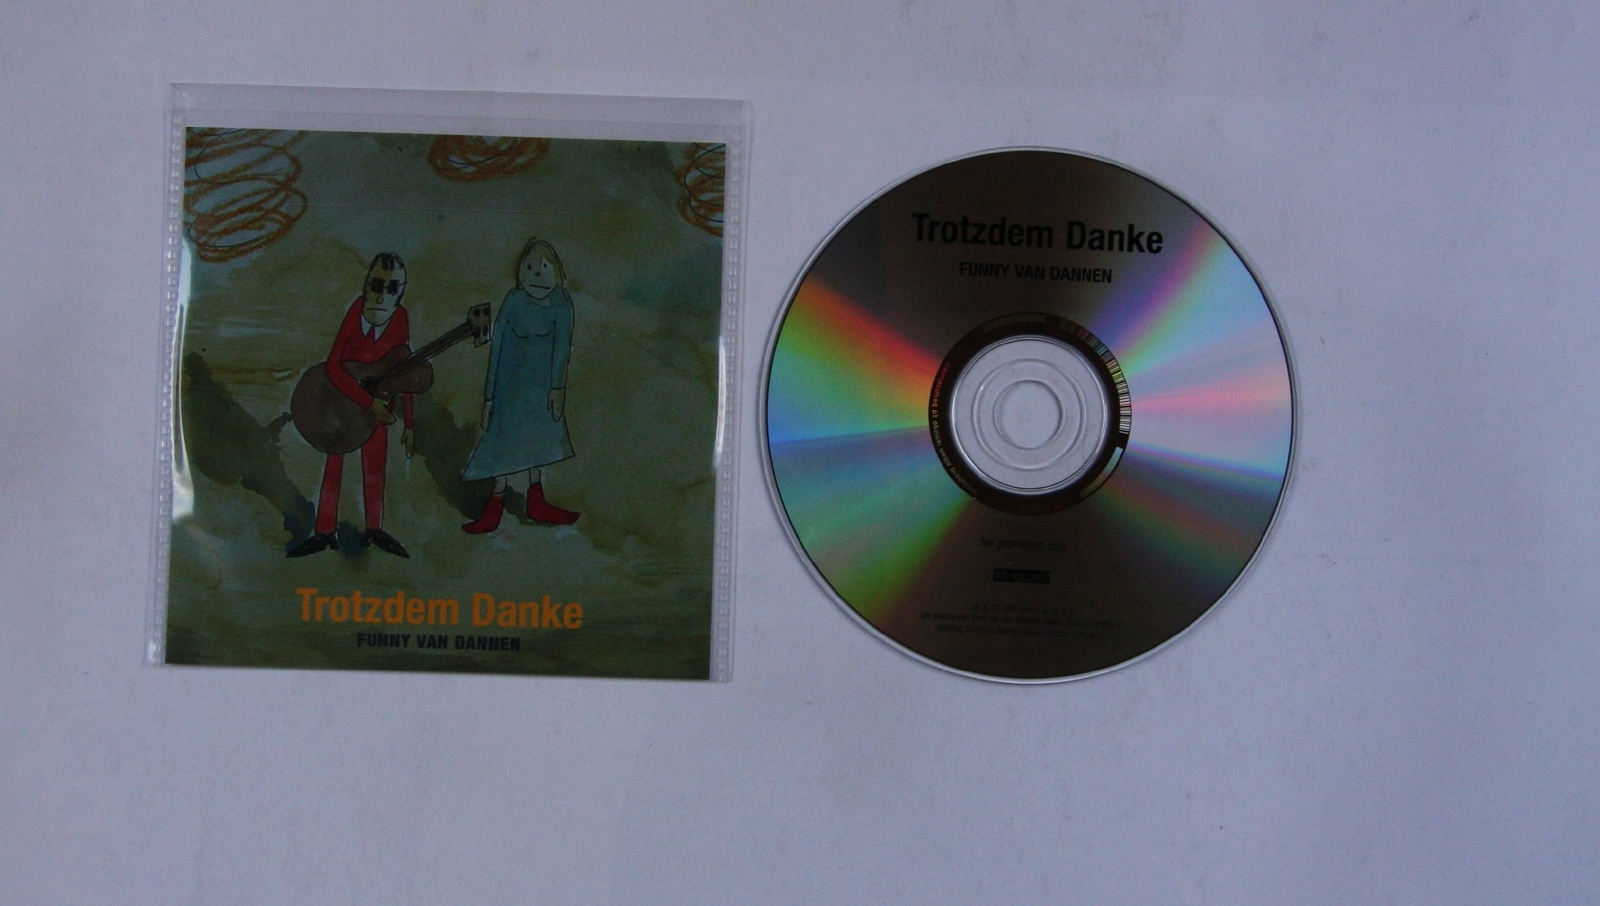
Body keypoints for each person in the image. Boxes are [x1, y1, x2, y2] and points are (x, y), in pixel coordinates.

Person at [288, 252, 416, 558]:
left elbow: (404, 371)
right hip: (342, 401)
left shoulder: (400, 319)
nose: (381, 296)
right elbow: (333, 366)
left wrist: (409, 424)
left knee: (376, 465)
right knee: (334, 462)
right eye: (376, 285)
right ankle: (324, 531)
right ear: (366, 285)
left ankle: (375, 529)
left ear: (400, 292)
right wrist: (367, 402)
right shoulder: (356, 312)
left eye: (391, 288)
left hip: (380, 401)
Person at [461, 237, 581, 533]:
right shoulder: (513, 301)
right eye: (529, 268)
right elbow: (497, 348)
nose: (537, 275)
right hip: (508, 393)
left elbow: (562, 351)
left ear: (557, 272)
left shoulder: (561, 304)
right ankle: (494, 506)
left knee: (539, 443)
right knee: (502, 446)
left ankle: (536, 501)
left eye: (544, 268)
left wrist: (558, 388)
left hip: (541, 393)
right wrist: (489, 398)